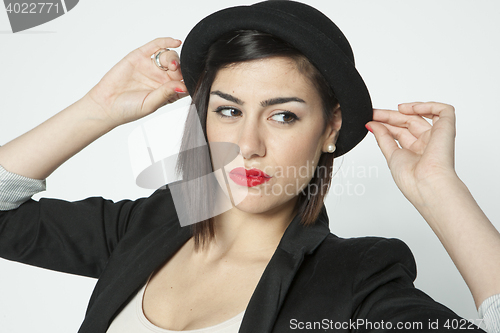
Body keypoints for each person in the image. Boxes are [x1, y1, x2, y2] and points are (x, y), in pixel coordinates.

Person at [0, 1, 499, 332]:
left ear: (331, 129)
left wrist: (439, 188)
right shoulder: (146, 225)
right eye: (229, 111)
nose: (248, 145)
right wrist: (99, 107)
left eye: (283, 115)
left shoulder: (355, 281)